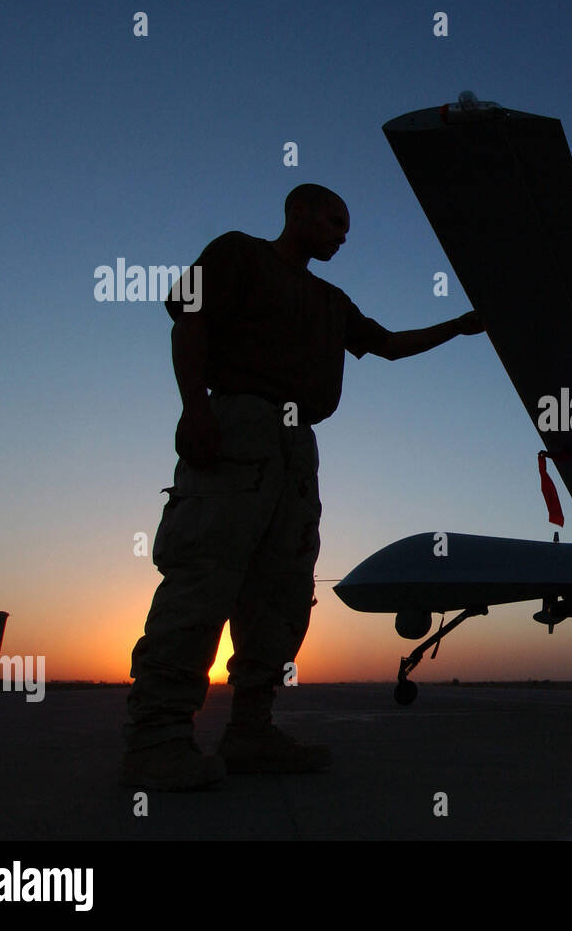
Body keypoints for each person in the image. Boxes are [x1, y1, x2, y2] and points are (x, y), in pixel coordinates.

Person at [122, 183, 484, 790]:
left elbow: (388, 346)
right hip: (237, 425)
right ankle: (157, 739)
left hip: (296, 446)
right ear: (297, 211)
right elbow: (191, 320)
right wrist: (195, 409)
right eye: (333, 220)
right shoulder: (239, 253)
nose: (342, 234)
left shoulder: (330, 300)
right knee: (204, 577)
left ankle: (250, 732)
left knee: (283, 591)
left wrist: (463, 326)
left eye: (347, 227)